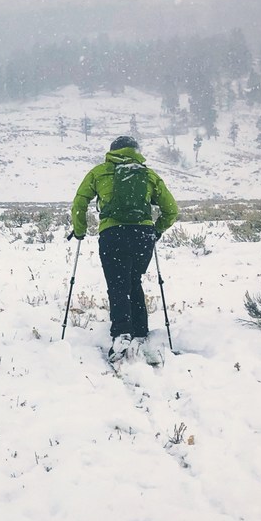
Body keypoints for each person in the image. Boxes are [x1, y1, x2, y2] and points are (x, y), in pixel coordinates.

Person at [70, 135, 178, 363]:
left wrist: (80, 230)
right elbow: (171, 210)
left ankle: (122, 333)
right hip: (142, 236)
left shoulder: (99, 172)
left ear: (112, 151)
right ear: (136, 150)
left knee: (118, 284)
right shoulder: (148, 175)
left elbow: (80, 202)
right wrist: (155, 230)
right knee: (134, 279)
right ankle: (140, 330)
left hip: (113, 235)